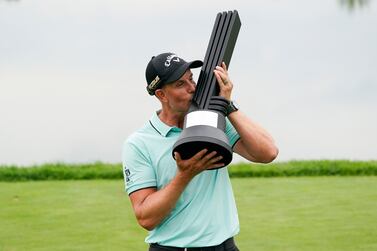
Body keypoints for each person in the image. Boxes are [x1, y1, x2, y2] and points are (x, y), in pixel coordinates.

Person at [122, 52, 278, 251]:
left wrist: (227, 105)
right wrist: (185, 175)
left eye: (191, 79)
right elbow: (146, 217)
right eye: (180, 84)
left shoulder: (212, 121)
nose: (192, 88)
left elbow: (268, 152)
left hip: (225, 247)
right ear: (161, 94)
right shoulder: (138, 144)